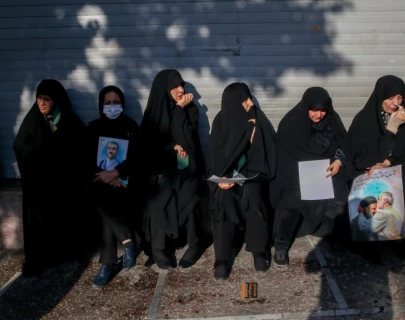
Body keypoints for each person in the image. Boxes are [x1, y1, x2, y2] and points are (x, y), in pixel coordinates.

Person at [13, 79, 88, 277]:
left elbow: (80, 150)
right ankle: (41, 260)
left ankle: (64, 255)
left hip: (63, 186)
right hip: (39, 186)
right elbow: (21, 147)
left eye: (47, 99)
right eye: (39, 99)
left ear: (56, 100)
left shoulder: (70, 121)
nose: (42, 104)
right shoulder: (32, 121)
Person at [270, 87, 352, 268]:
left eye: (323, 110)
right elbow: (283, 155)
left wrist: (339, 160)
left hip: (326, 171)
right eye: (314, 110)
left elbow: (343, 145)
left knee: (340, 198)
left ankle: (335, 239)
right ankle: (281, 246)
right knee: (290, 202)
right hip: (296, 173)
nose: (319, 115)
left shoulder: (332, 120)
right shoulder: (291, 122)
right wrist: (302, 174)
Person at [348, 75, 405, 259]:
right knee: (370, 196)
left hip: (391, 166)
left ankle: (403, 240)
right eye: (390, 98)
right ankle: (369, 244)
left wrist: (387, 162)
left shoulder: (400, 117)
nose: (395, 103)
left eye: (399, 97)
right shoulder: (364, 120)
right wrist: (391, 129)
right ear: (380, 96)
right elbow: (364, 157)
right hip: (368, 168)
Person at [138, 69, 206, 270]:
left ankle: (194, 246)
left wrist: (179, 110)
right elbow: (148, 148)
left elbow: (188, 141)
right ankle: (158, 248)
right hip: (161, 170)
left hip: (186, 168)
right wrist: (170, 147)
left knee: (191, 192)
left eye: (182, 85)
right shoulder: (154, 113)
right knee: (160, 193)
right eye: (175, 86)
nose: (180, 89)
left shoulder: (190, 110)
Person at [207, 83, 277, 280]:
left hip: (253, 173)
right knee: (223, 198)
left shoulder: (257, 120)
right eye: (244, 99)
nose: (250, 102)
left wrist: (253, 137)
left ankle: (259, 250)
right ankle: (222, 257)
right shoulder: (221, 121)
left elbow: (265, 158)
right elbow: (214, 157)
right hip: (228, 176)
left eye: (249, 98)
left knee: (254, 194)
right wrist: (221, 179)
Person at [89, 85, 141, 288]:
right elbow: (87, 158)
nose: (112, 106)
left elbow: (137, 157)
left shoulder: (130, 126)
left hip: (124, 183)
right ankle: (128, 241)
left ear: (122, 104)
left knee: (105, 205)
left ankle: (108, 263)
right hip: (101, 181)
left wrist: (117, 174)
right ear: (101, 105)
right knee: (102, 196)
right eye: (108, 103)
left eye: (116, 102)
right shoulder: (93, 127)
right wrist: (106, 176)